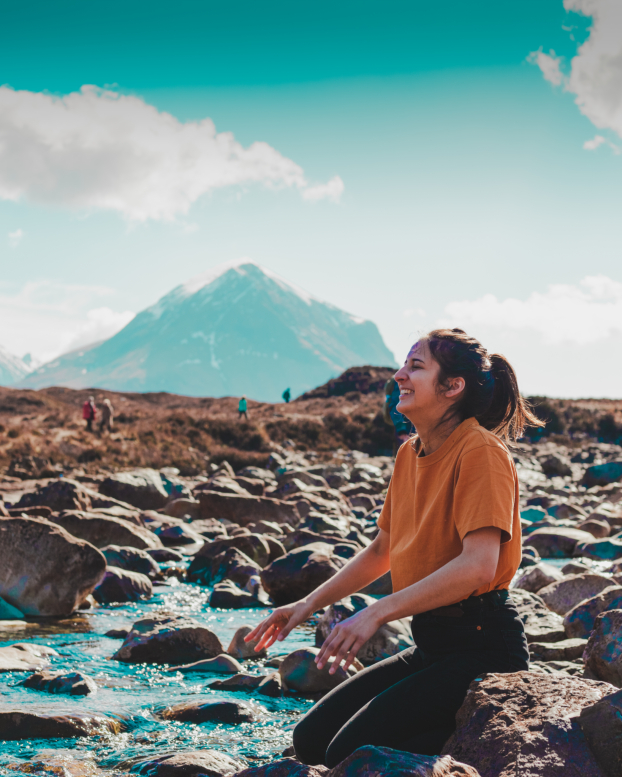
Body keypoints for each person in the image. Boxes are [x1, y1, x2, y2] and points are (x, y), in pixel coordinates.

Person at [245, 328, 543, 766]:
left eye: (415, 366)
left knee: (351, 754)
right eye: (404, 365)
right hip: (432, 644)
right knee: (310, 741)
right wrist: (306, 604)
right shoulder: (410, 455)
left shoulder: (480, 450)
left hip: (483, 647)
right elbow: (381, 550)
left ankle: (477, 754)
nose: (399, 375)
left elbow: (480, 567)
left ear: (453, 386)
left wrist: (377, 612)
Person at [383, 375, 415, 454]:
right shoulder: (400, 383)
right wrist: (401, 430)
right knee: (405, 454)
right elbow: (396, 406)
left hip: (402, 425)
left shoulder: (400, 381)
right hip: (404, 427)